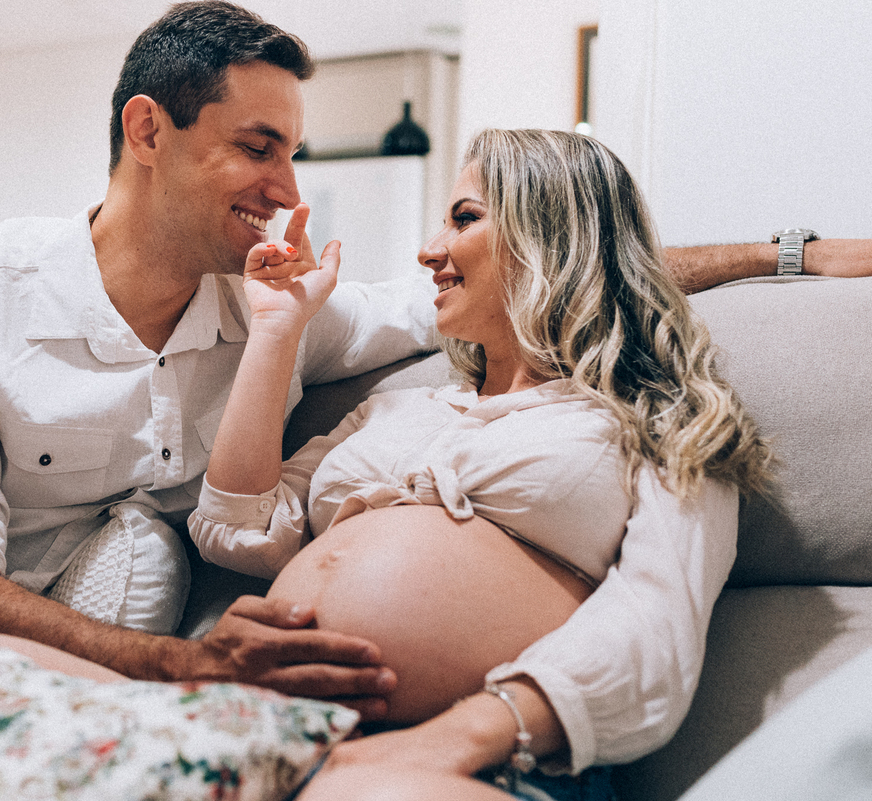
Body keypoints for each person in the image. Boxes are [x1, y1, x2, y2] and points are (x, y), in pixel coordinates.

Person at [0, 0, 872, 765]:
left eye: (293, 151)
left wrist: (784, 254)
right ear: (147, 130)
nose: (290, 190)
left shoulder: (293, 313)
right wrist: (182, 665)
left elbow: (553, 269)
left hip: (184, 684)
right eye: (259, 147)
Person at [183, 127, 773, 798]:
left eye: (464, 219)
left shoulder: (661, 417)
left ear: (551, 236)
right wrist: (276, 329)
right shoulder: (392, 411)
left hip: (481, 762)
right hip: (272, 729)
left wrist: (447, 743)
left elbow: (654, 623)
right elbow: (235, 527)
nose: (428, 250)